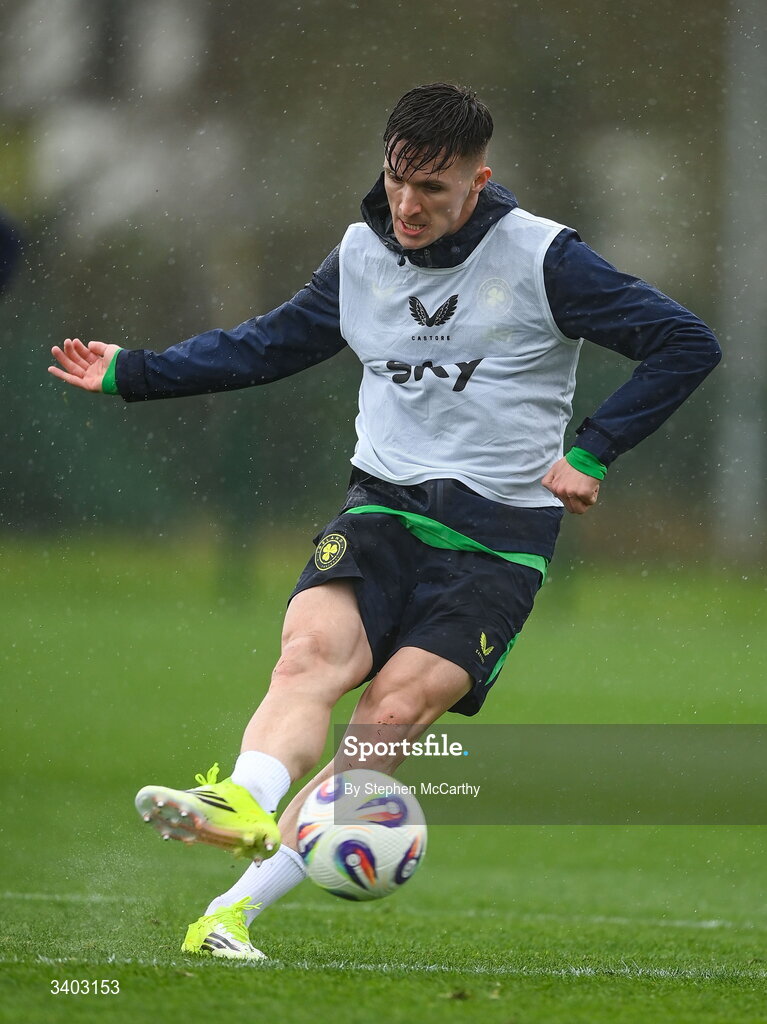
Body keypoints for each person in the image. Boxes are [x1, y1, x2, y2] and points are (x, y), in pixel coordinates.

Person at [48, 82, 721, 960]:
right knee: (308, 657)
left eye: (433, 189)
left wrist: (593, 451)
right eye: (398, 180)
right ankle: (242, 801)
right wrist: (133, 372)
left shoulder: (543, 259)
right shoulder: (360, 253)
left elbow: (685, 341)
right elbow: (268, 344)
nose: (408, 205)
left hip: (498, 541)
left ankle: (230, 914)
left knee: (388, 718)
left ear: (479, 181)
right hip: (382, 507)